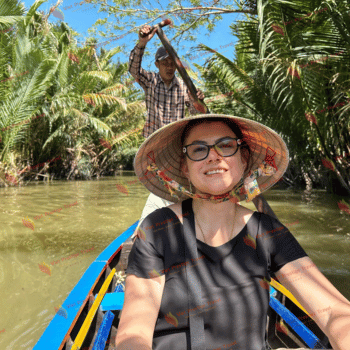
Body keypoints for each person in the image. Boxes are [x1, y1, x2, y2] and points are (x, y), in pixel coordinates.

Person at [115, 114, 350, 350]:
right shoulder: (158, 229)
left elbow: (336, 313)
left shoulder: (267, 232)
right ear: (185, 168)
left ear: (244, 159)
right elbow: (133, 334)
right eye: (198, 150)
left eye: (226, 146)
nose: (213, 157)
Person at [129, 24, 205, 224]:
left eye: (172, 63)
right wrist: (142, 43)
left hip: (176, 147)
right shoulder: (150, 81)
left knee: (179, 186)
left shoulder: (183, 86)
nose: (170, 67)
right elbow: (133, 69)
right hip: (154, 146)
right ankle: (157, 222)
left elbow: (196, 114)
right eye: (165, 63)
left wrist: (197, 101)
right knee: (160, 187)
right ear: (157, 65)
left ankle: (185, 219)